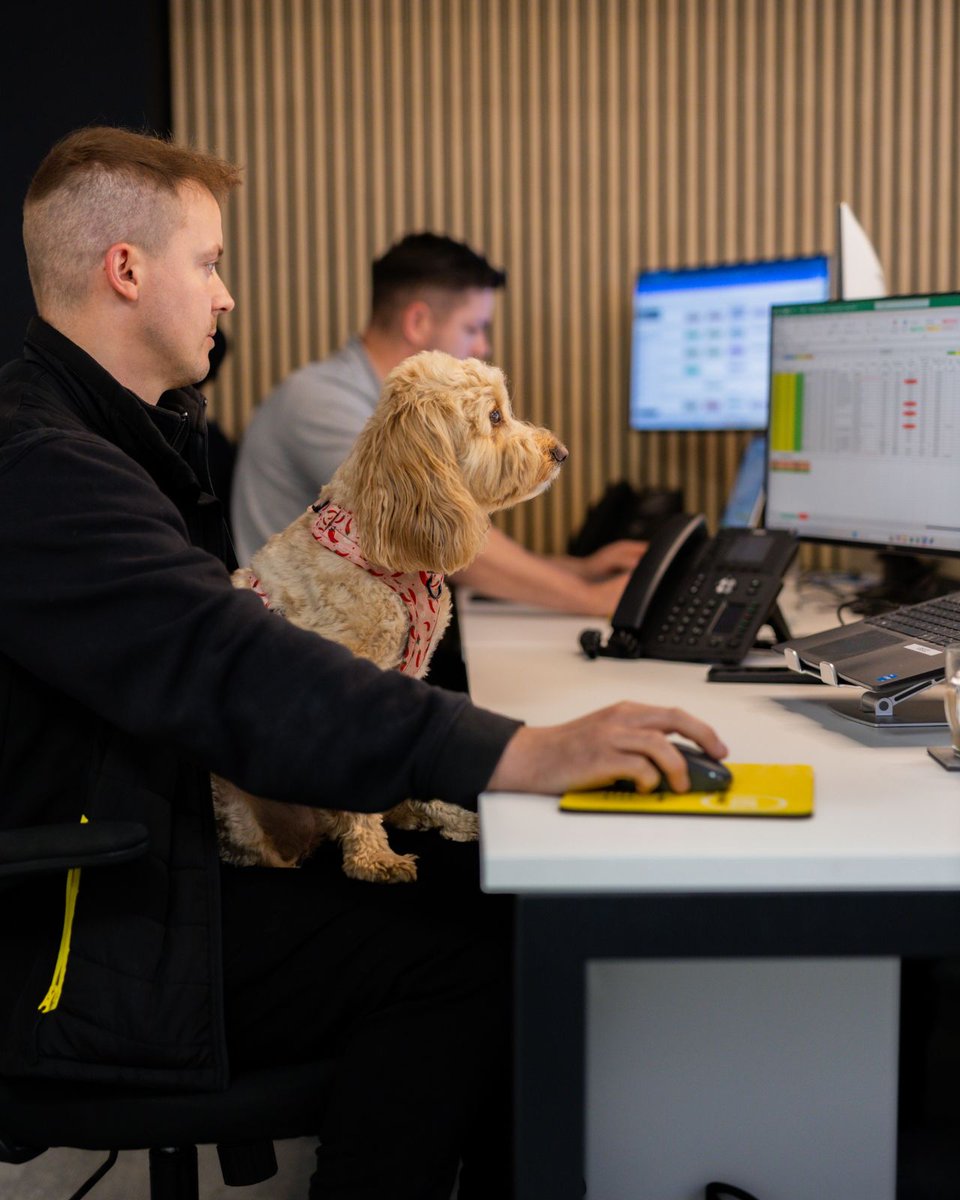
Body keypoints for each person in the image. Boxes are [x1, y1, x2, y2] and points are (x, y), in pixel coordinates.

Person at [0, 126, 726, 1200]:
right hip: (82, 924)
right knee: (473, 954)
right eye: (209, 263)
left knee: (493, 893)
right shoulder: (47, 468)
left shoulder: (99, 439)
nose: (227, 295)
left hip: (133, 844)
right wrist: (514, 751)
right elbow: (232, 666)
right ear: (125, 270)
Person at [231, 232, 647, 616]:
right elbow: (436, 531)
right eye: (474, 327)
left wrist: (576, 570)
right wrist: (589, 598)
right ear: (418, 322)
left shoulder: (367, 398)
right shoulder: (322, 402)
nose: (483, 346)